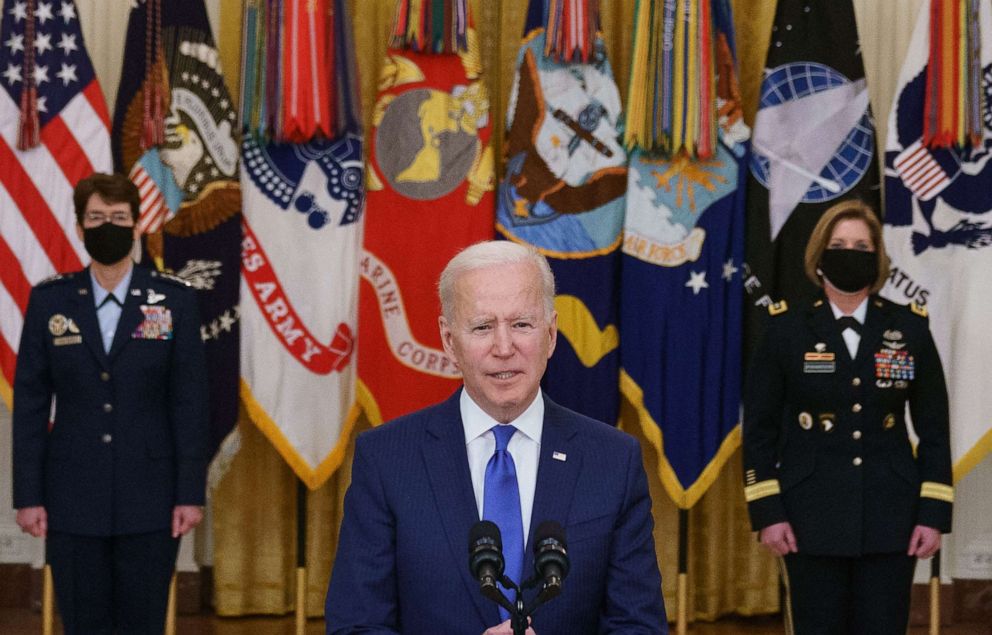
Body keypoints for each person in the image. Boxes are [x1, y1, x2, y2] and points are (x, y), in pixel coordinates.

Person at [325, 240, 666, 634]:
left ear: (551, 334)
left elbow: (639, 626)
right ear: (450, 342)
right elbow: (355, 627)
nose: (504, 348)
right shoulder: (387, 460)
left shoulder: (612, 460)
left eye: (521, 324)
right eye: (483, 327)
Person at [742, 199, 952, 635]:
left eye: (861, 245)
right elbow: (759, 429)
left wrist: (932, 514)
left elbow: (934, 429)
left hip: (891, 515)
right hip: (808, 516)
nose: (850, 253)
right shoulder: (787, 329)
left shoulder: (909, 328)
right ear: (819, 255)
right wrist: (768, 511)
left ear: (877, 259)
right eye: (839, 244)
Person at [12, 173, 209, 634]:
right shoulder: (50, 301)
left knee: (142, 622)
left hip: (153, 496)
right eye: (96, 218)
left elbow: (189, 403)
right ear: (79, 229)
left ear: (138, 225)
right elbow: (31, 405)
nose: (108, 226)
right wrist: (28, 496)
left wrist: (189, 493)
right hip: (72, 496)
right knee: (83, 622)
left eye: (119, 217)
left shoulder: (173, 301)